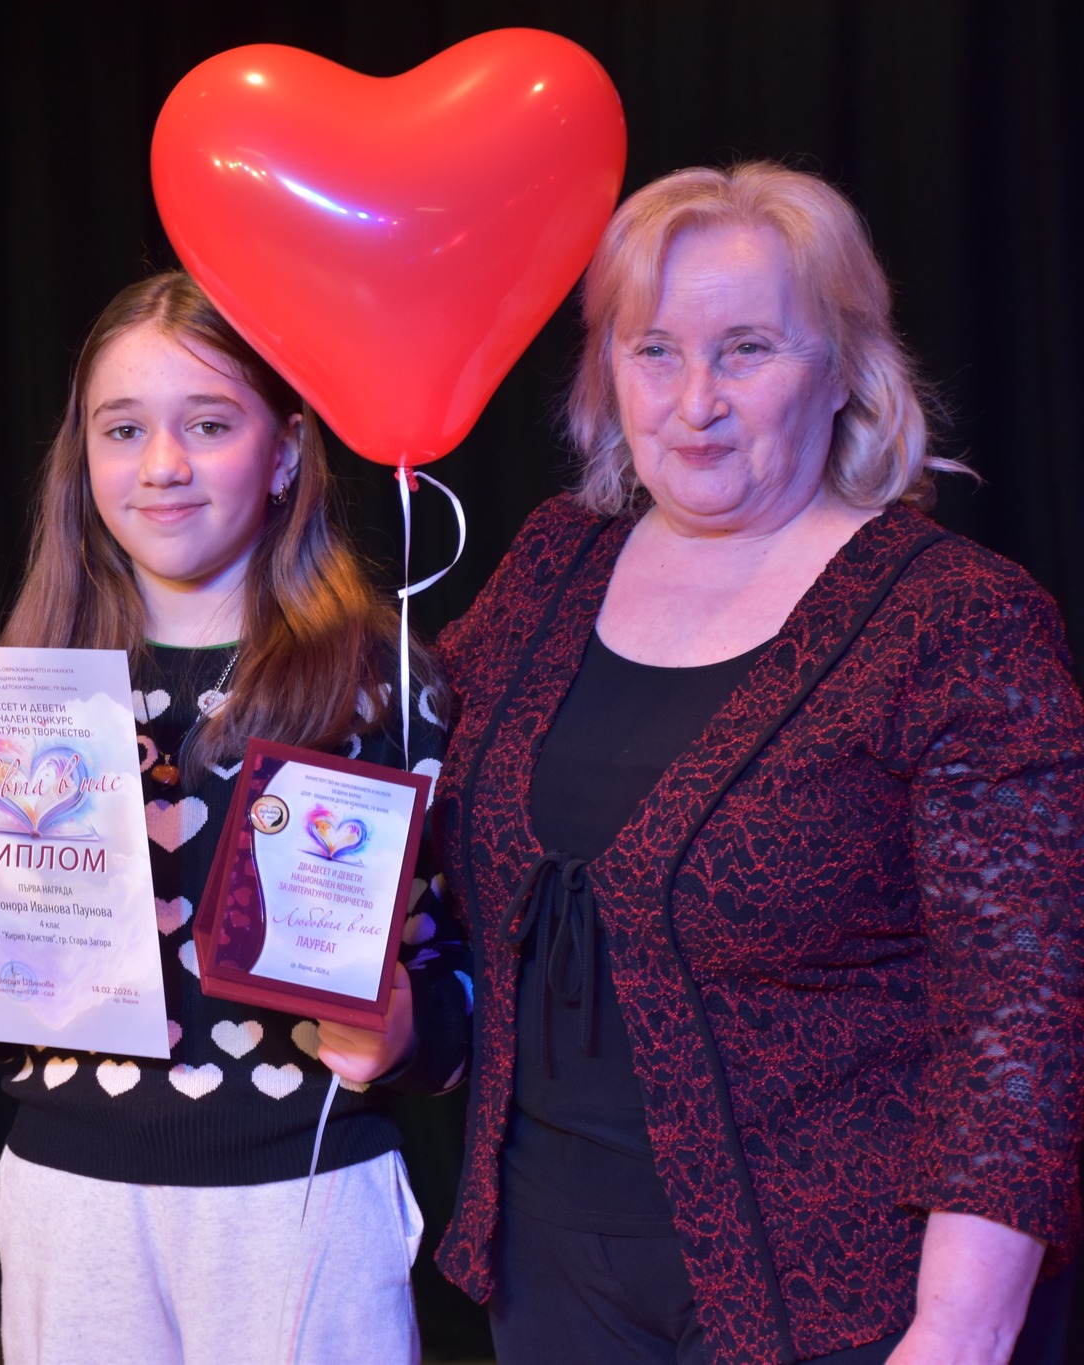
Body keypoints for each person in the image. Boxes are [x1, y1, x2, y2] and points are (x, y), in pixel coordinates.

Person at [430, 163, 1084, 1365]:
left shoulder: (953, 618)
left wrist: (957, 1330)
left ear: (842, 370)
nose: (694, 404)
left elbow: (1023, 1019)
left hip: (848, 1304)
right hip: (547, 1276)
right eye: (652, 351)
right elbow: (390, 792)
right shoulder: (549, 568)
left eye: (745, 351)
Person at [0, 270, 473, 1363]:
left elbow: (463, 971)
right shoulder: (12, 702)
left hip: (304, 1199)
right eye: (123, 430)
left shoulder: (383, 689)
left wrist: (410, 1035)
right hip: (70, 1203)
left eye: (208, 424)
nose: (162, 464)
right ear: (82, 463)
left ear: (285, 452)